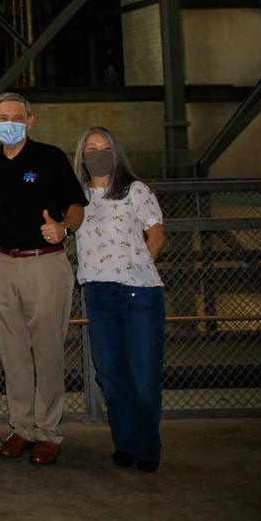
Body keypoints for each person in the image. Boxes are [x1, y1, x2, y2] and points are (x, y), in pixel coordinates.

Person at [0, 92, 86, 466]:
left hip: (44, 264)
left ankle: (48, 432)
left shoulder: (50, 157)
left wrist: (64, 229)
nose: (11, 123)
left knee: (47, 349)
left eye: (18, 117)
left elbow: (75, 204)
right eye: (3, 117)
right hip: (1, 263)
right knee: (12, 351)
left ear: (30, 120)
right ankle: (21, 426)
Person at [74, 127, 166, 473]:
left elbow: (155, 233)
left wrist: (140, 265)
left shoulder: (135, 190)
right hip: (98, 293)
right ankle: (125, 442)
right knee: (111, 373)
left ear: (115, 152)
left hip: (137, 292)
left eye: (104, 147)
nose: (98, 153)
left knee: (143, 373)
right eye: (91, 148)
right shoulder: (79, 197)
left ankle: (146, 448)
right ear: (82, 156)